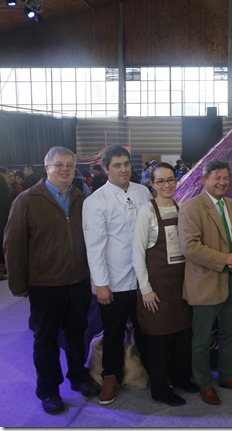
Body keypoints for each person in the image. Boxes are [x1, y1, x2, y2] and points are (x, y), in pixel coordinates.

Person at [3, 146, 99, 415]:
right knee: (45, 340)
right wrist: (19, 285)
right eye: (59, 165)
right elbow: (13, 245)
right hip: (45, 285)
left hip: (78, 282)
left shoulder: (83, 199)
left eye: (70, 164)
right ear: (47, 168)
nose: (65, 169)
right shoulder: (27, 200)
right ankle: (48, 389)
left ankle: (78, 376)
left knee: (76, 334)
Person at [178, 159, 232, 406]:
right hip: (205, 282)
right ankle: (203, 383)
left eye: (225, 178)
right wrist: (226, 258)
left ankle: (228, 376)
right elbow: (190, 247)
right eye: (216, 178)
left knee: (231, 334)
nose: (222, 182)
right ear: (204, 180)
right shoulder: (191, 207)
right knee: (201, 339)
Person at [82, 145, 153, 405]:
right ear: (105, 169)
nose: (123, 169)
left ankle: (153, 373)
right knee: (113, 334)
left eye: (126, 164)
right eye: (117, 165)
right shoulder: (95, 201)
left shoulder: (143, 191)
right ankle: (109, 377)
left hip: (143, 279)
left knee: (147, 330)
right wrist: (101, 284)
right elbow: (95, 247)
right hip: (114, 282)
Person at [132, 162, 196, 407]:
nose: (167, 185)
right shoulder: (146, 212)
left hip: (180, 286)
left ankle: (181, 378)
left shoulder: (182, 208)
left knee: (182, 337)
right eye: (161, 181)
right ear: (152, 184)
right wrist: (146, 289)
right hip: (156, 287)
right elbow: (137, 253)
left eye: (170, 180)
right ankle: (159, 388)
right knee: (157, 340)